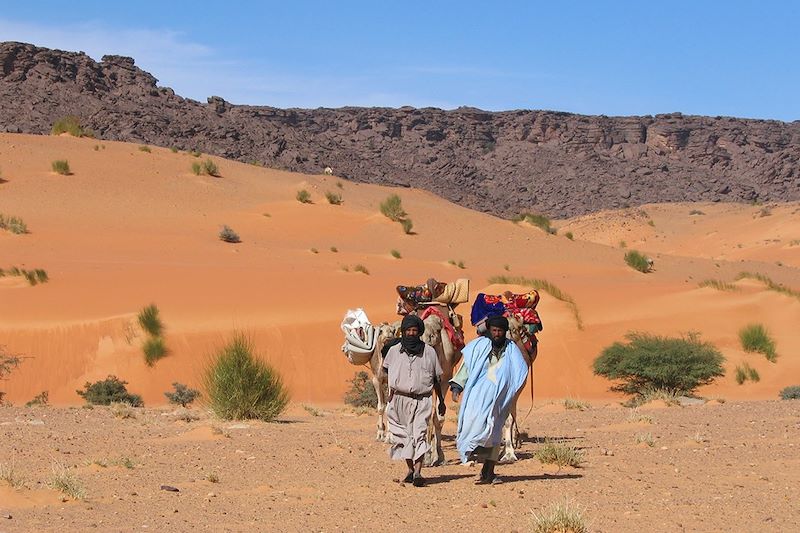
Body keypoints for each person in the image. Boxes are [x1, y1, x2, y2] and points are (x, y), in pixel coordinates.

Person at [449, 315, 528, 484]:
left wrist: (510, 391)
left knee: (495, 434)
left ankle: (489, 471)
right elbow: (466, 367)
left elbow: (520, 370)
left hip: (499, 400)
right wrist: (457, 386)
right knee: (473, 426)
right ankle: (475, 457)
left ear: (505, 332)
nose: (497, 334)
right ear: (490, 331)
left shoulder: (511, 349)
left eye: (500, 331)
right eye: (494, 331)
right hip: (477, 397)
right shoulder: (479, 346)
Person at [382, 314, 446, 487]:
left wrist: (441, 400)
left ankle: (418, 472)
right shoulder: (394, 351)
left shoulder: (429, 352)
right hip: (398, 401)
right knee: (403, 438)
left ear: (419, 333)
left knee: (419, 435)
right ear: (403, 332)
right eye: (408, 330)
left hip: (422, 400)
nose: (411, 334)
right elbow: (386, 371)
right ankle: (410, 470)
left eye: (414, 331)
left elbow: (436, 379)